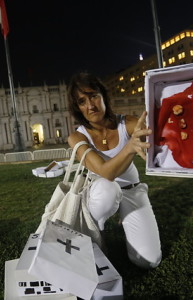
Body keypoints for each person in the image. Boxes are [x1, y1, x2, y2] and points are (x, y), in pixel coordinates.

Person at [67, 71, 162, 268]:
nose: (91, 105)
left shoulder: (126, 124)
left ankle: (125, 217)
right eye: (82, 101)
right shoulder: (77, 137)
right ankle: (98, 230)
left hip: (131, 190)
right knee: (108, 188)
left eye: (94, 96)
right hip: (100, 195)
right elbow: (106, 172)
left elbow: (163, 131)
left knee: (149, 261)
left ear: (103, 96)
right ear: (77, 108)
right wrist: (130, 147)